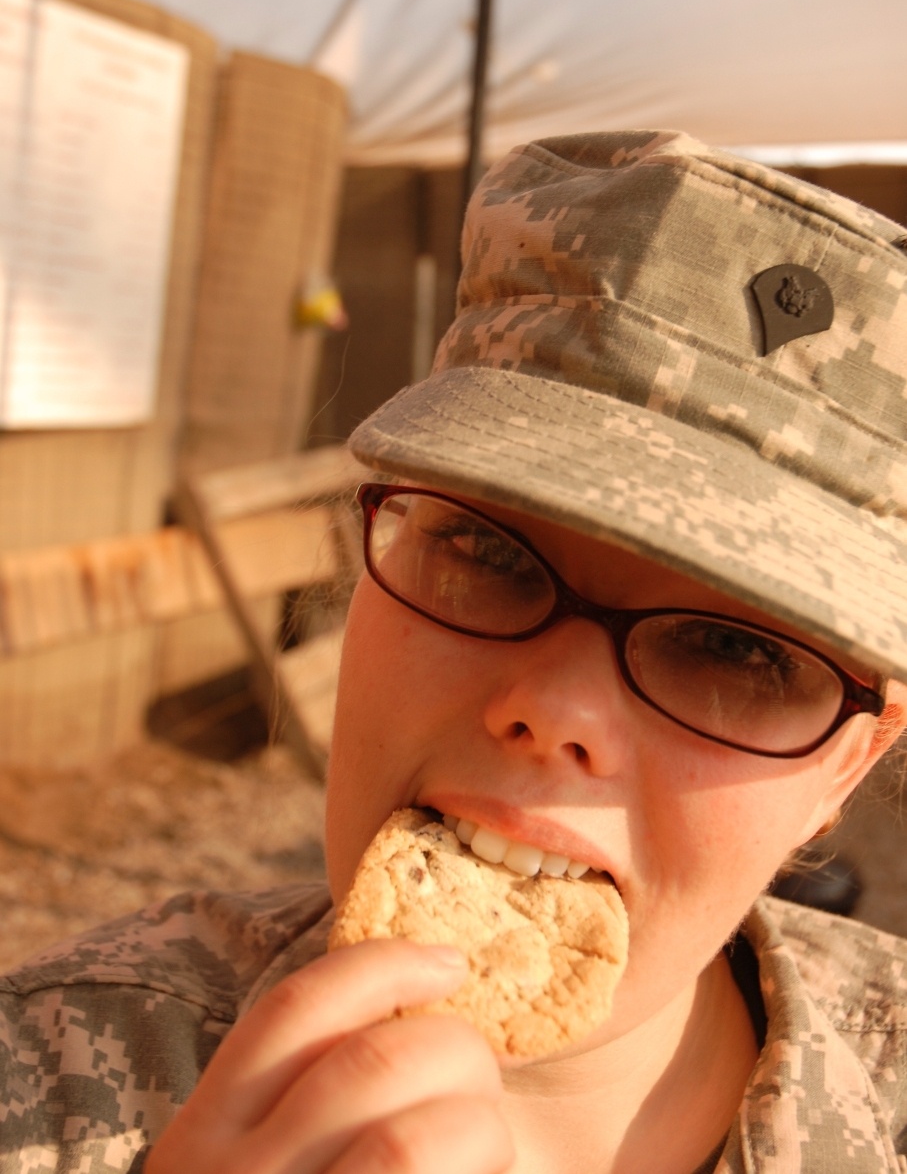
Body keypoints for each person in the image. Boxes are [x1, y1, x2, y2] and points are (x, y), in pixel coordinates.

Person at [0, 129, 905, 1174]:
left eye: (734, 652)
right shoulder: (46, 1085)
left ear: (849, 759)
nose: (557, 706)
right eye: (485, 549)